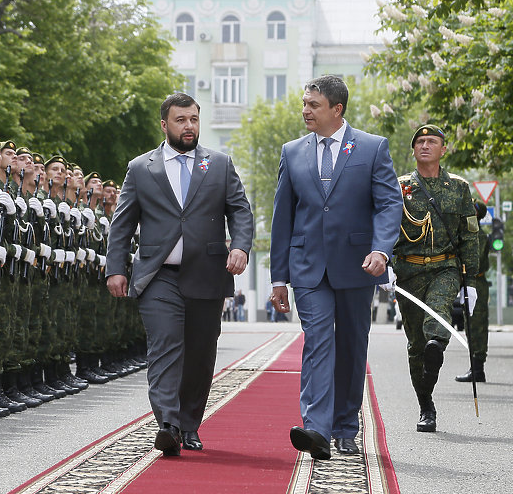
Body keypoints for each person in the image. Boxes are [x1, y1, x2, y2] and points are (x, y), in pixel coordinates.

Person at [106, 92, 254, 457]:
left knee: (201, 354)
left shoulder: (218, 164)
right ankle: (167, 424)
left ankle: (189, 425)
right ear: (164, 124)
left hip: (207, 274)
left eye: (193, 119)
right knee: (165, 346)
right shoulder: (142, 168)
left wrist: (240, 246)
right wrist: (115, 268)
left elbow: (240, 211)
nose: (189, 127)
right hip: (158, 276)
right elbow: (122, 223)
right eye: (180, 120)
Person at [270, 75, 402, 459]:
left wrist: (382, 250)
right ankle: (317, 428)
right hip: (308, 267)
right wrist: (279, 276)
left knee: (351, 346)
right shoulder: (292, 151)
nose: (305, 110)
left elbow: (389, 204)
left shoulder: (372, 147)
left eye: (313, 105)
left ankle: (346, 426)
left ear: (336, 109)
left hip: (358, 266)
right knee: (317, 342)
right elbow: (283, 219)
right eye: (305, 103)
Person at [386, 124, 478, 433]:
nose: (425, 145)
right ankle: (426, 404)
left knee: (436, 318)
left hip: (445, 268)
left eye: (432, 141)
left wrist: (472, 282)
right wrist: (383, 260)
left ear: (443, 149)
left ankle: (437, 343)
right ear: (413, 150)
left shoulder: (460, 188)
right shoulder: (397, 187)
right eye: (420, 141)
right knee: (416, 346)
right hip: (408, 272)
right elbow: (384, 228)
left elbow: (469, 236)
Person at [455, 199, 489, 383]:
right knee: (470, 325)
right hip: (471, 283)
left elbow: (470, 263)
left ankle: (477, 369)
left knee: (476, 326)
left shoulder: (478, 236)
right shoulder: (471, 234)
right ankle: (475, 368)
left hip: (476, 283)